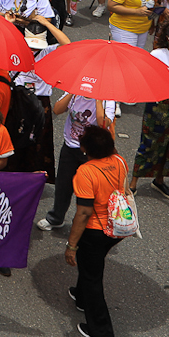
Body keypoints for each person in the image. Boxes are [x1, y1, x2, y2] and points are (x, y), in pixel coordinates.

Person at [66, 124, 130, 337]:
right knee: (90, 265)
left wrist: (71, 245)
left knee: (93, 276)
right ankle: (81, 297)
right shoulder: (120, 161)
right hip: (116, 228)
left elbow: (83, 213)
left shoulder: (86, 172)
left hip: (94, 231)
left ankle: (101, 330)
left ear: (85, 149)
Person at [39, 88, 116, 230]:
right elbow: (56, 109)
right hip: (70, 146)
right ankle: (56, 218)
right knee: (63, 185)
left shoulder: (108, 98)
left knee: (87, 192)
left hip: (92, 153)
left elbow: (103, 123)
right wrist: (72, 92)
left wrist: (99, 99)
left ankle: (87, 225)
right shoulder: (76, 91)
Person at [129, 26, 169, 197]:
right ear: (167, 39)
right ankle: (133, 183)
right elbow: (145, 79)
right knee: (150, 143)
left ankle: (160, 180)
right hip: (159, 106)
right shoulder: (157, 55)